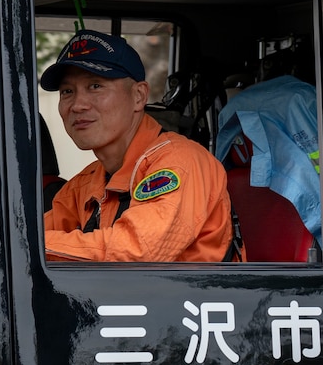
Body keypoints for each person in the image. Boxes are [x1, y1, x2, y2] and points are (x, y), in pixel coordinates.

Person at [40, 29, 242, 262]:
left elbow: (136, 251)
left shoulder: (180, 163)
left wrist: (27, 247)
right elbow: (28, 237)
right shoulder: (86, 183)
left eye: (95, 86)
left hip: (183, 299)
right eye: (67, 91)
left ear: (139, 96)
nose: (77, 105)